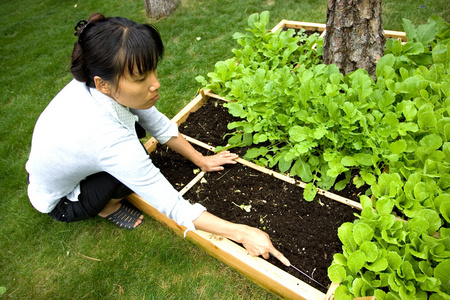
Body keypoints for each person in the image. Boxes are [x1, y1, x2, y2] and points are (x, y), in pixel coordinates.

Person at [26, 13, 289, 266]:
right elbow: (170, 204)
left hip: (55, 167)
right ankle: (106, 207)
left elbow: (158, 124)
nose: (156, 84)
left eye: (152, 71)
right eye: (141, 78)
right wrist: (242, 233)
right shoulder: (109, 140)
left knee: (137, 140)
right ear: (103, 84)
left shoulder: (98, 83)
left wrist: (201, 159)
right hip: (60, 201)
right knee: (132, 164)